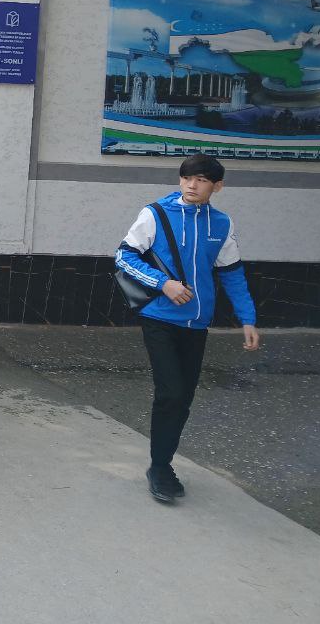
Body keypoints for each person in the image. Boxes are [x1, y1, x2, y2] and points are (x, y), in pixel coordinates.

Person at [115, 154, 259, 505]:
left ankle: (162, 462)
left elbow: (232, 273)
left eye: (202, 180)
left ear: (217, 186)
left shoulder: (221, 224)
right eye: (186, 178)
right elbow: (124, 256)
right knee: (172, 392)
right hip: (160, 319)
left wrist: (248, 319)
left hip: (197, 324)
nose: (192, 185)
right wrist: (163, 283)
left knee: (183, 398)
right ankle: (160, 468)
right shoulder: (155, 214)